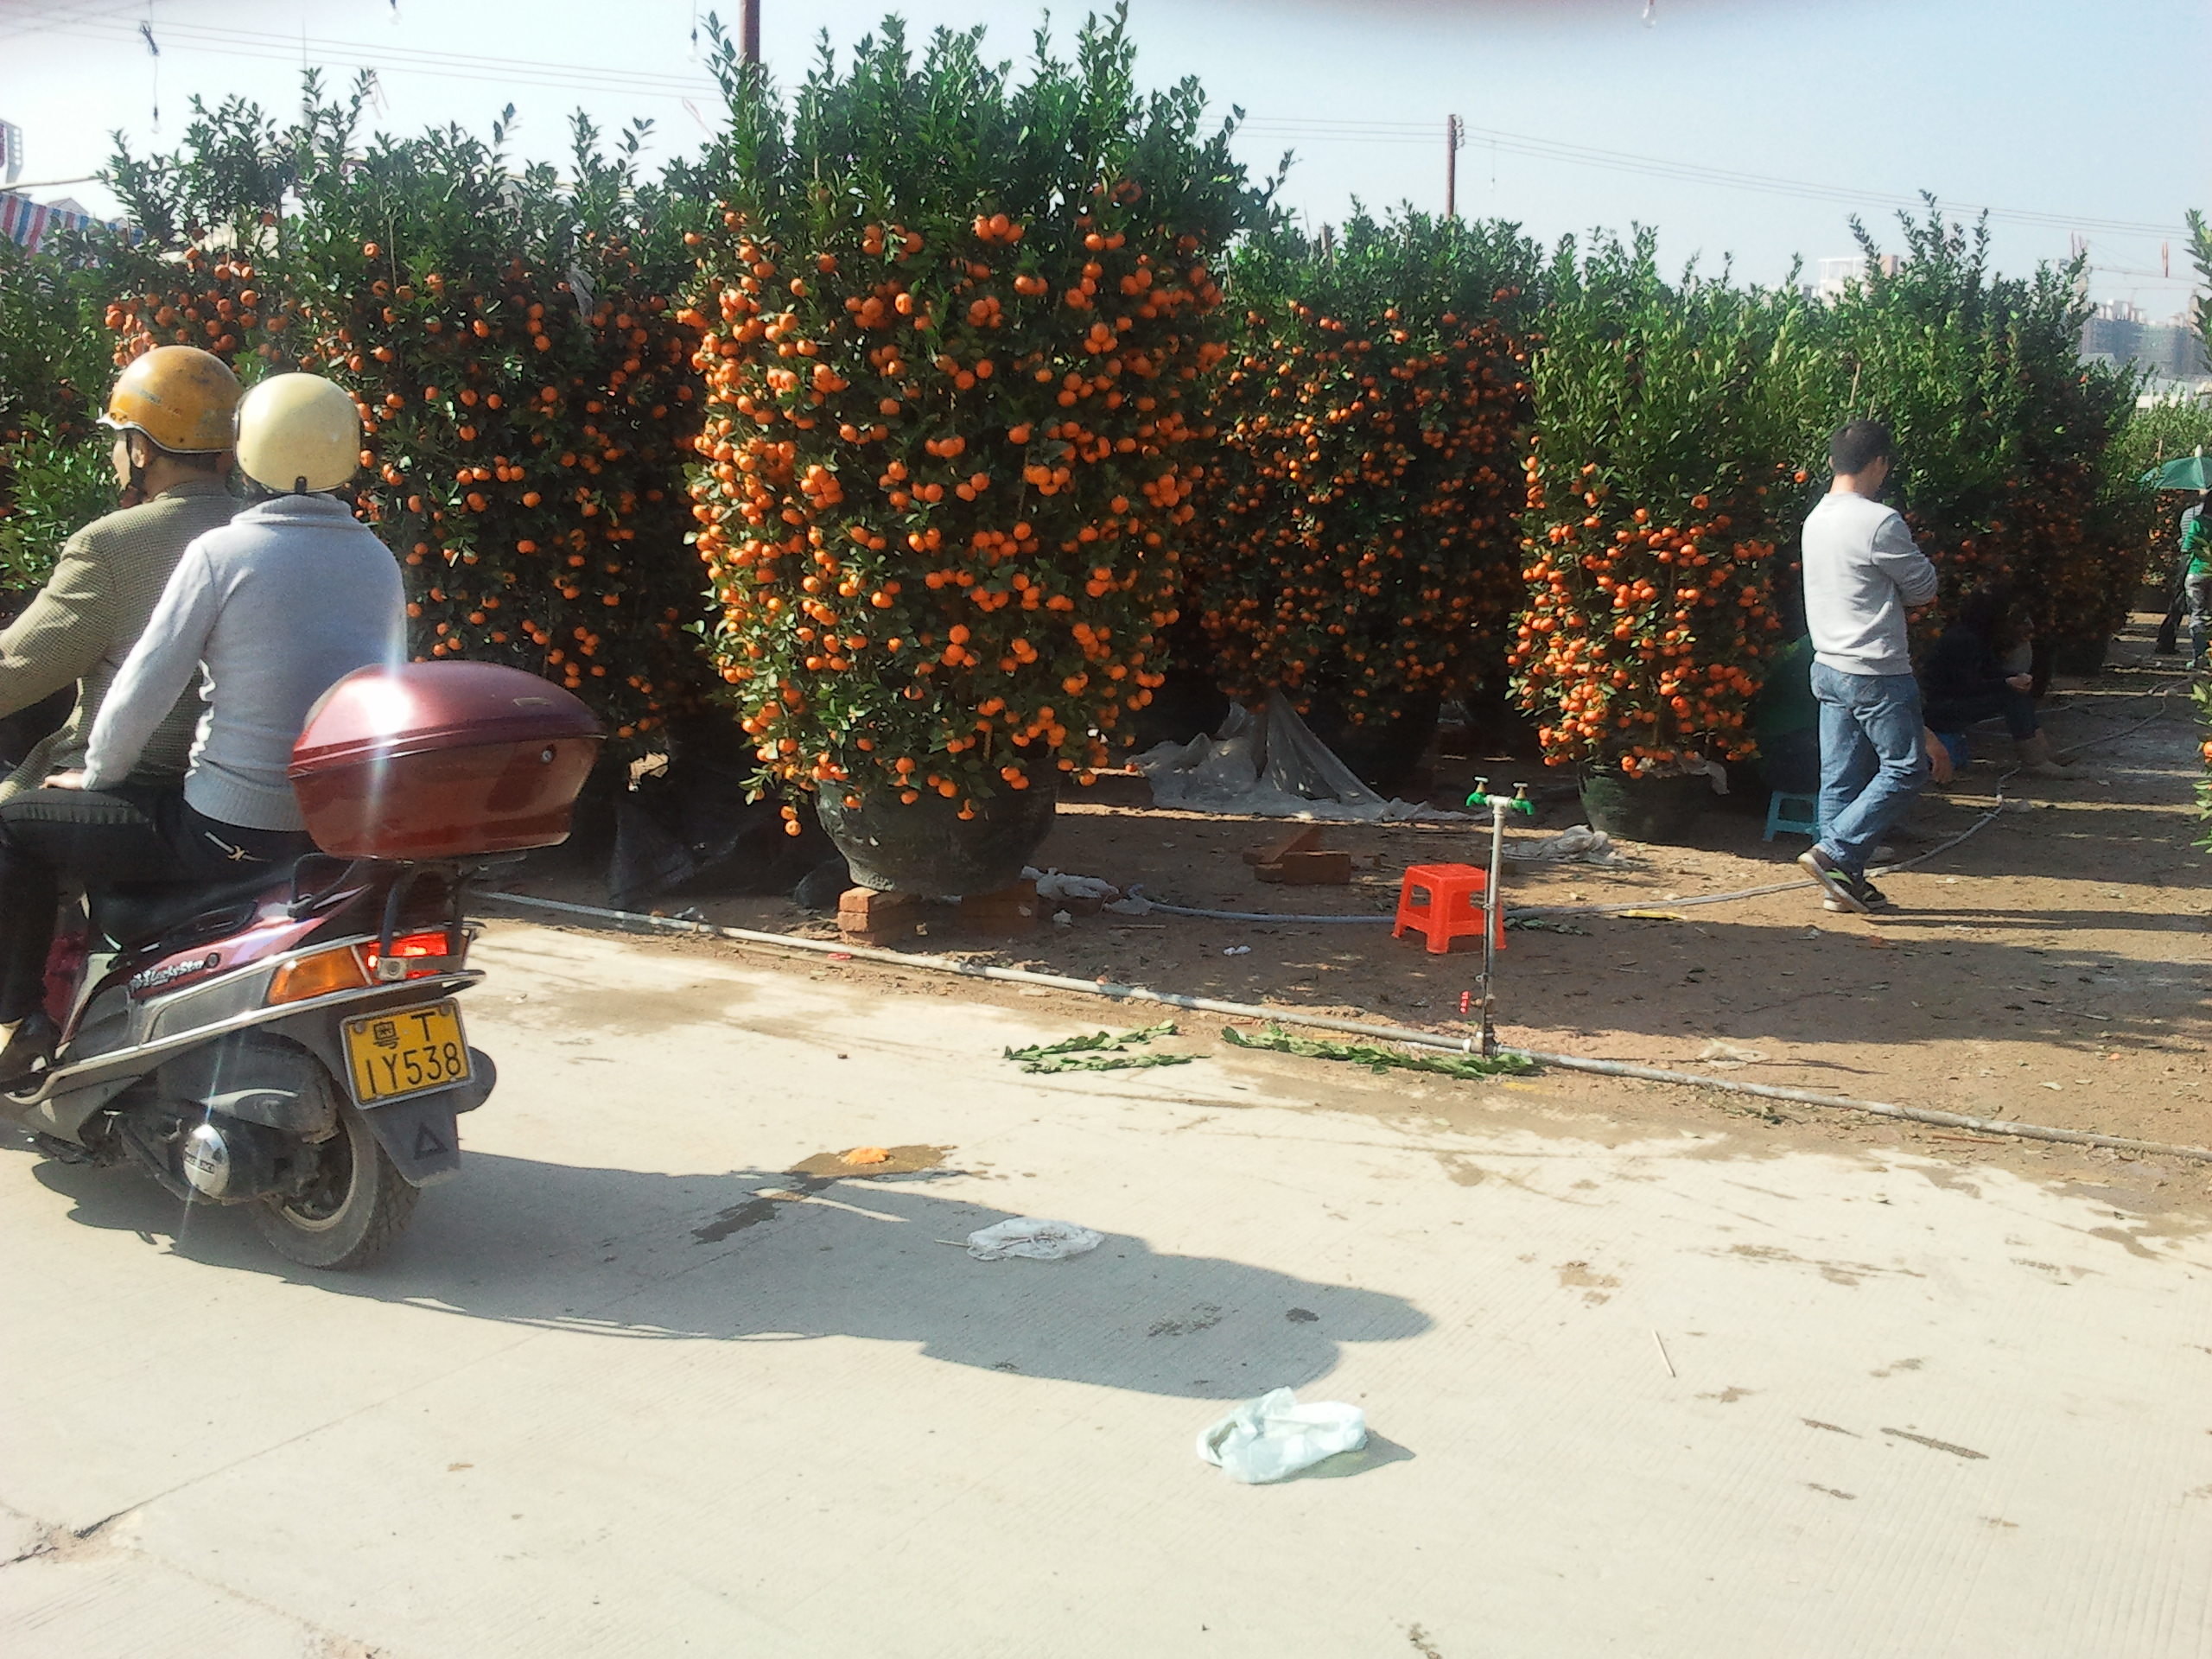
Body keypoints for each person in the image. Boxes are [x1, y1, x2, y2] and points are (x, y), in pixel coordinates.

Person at [0, 372, 405, 1083]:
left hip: (225, 827)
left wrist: (98, 776)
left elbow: (144, 688)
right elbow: (386, 689)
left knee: (11, 823)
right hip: (332, 823)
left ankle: (20, 1021)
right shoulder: (377, 558)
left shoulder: (218, 551)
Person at [0, 346, 243, 806]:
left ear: (142, 450)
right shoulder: (261, 532)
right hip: (211, 791)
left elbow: (16, 671)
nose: (115, 454)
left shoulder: (108, 545)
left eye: (119, 438)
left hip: (117, 788)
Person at [1796, 417, 1942, 915]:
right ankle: (1836, 853)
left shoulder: (1816, 517)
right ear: (1879, 463)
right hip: (1876, 668)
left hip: (1828, 663)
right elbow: (1923, 589)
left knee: (1839, 776)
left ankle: (1841, 885)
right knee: (1905, 767)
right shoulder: (1880, 521)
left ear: (1832, 461)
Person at [1920, 583, 2074, 778]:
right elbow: (1964, 686)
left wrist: (2013, 678)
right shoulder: (1963, 640)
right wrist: (2005, 683)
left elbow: (1990, 671)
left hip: (1952, 699)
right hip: (1939, 707)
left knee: (2018, 692)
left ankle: (2043, 751)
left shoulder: (1974, 635)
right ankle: (2034, 759)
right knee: (2011, 697)